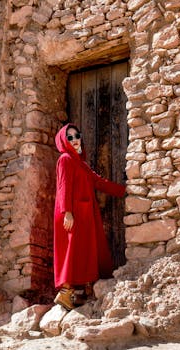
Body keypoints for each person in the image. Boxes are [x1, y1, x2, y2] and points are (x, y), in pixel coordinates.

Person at [53, 123, 126, 310]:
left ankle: (84, 291)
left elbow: (99, 182)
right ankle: (65, 292)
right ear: (63, 141)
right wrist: (67, 212)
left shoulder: (81, 164)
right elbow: (63, 186)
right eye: (69, 137)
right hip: (71, 214)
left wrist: (125, 191)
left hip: (85, 214)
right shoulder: (65, 159)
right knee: (71, 250)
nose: (75, 139)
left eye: (76, 135)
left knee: (85, 249)